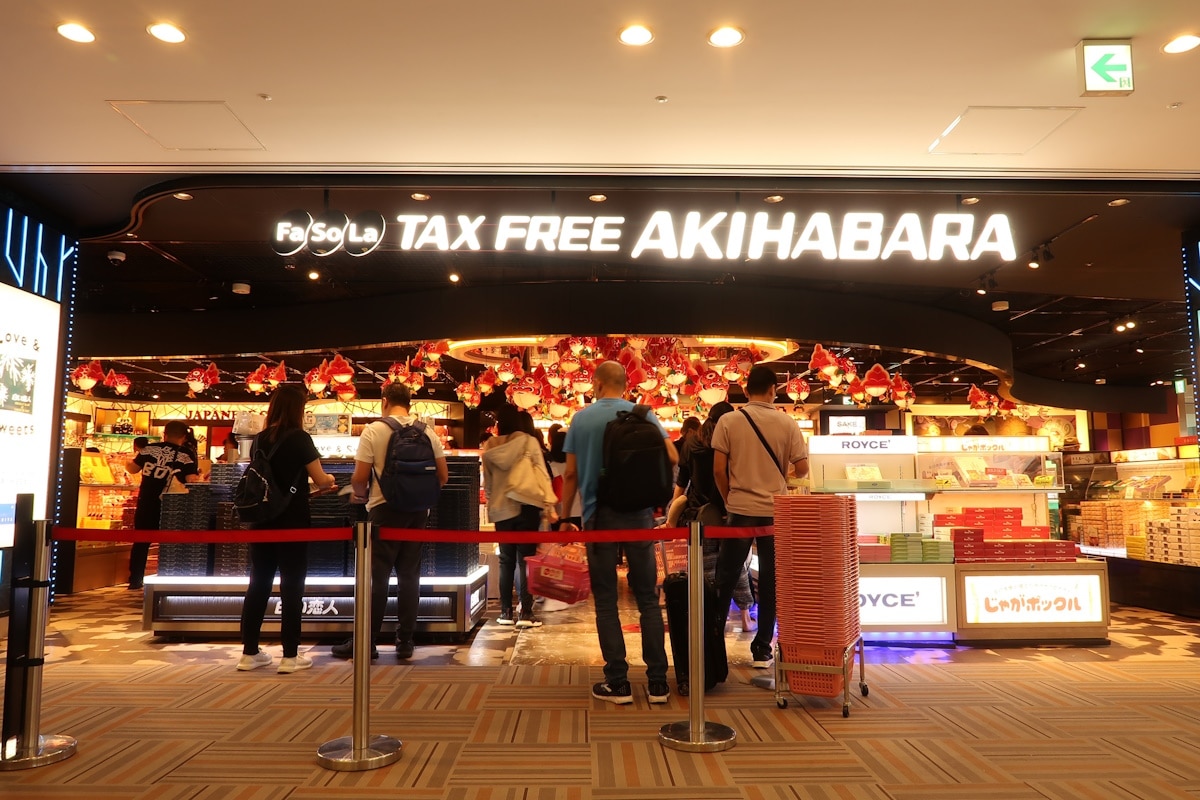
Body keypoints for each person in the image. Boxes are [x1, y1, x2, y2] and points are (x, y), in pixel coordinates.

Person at [560, 360, 678, 704]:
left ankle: (618, 682)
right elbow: (672, 456)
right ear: (626, 384)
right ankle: (658, 683)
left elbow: (570, 474)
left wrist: (565, 517)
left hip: (598, 517)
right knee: (648, 599)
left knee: (606, 600)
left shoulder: (582, 418)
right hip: (639, 514)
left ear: (596, 383)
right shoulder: (644, 414)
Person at [333, 382, 448, 660]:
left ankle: (367, 642)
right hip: (418, 514)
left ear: (384, 401)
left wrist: (360, 495)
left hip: (383, 511)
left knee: (377, 577)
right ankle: (405, 640)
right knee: (409, 576)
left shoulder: (374, 430)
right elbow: (442, 476)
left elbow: (360, 478)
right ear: (409, 403)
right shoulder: (427, 431)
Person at [712, 364, 808, 669]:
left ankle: (712, 645)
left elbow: (718, 470)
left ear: (745, 389)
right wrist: (780, 475)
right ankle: (762, 648)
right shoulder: (787, 423)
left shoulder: (728, 421)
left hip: (740, 509)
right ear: (773, 390)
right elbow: (803, 469)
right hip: (774, 512)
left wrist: (729, 499)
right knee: (770, 580)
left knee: (725, 578)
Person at [238, 385, 337, 674]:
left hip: (261, 519)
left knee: (258, 583)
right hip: (292, 521)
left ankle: (249, 653)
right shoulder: (300, 438)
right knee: (292, 586)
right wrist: (329, 480)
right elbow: (320, 479)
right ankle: (290, 656)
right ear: (298, 409)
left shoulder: (259, 439)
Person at [668, 401, 757, 632]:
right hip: (729, 510)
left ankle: (711, 616)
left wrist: (673, 513)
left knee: (705, 569)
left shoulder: (691, 443)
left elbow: (682, 482)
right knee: (737, 566)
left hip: (698, 514)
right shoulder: (730, 441)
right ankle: (745, 618)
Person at [482, 405, 557, 628]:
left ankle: (505, 612)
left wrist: (492, 503)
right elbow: (542, 475)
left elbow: (488, 483)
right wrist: (549, 504)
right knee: (526, 560)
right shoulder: (528, 442)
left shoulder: (490, 446)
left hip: (501, 509)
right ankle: (526, 613)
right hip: (527, 506)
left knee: (505, 561)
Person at [126, 420, 201, 590]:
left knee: (141, 542)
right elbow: (191, 480)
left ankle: (135, 579)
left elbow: (133, 469)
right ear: (184, 437)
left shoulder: (148, 449)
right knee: (171, 542)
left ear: (164, 434)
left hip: (146, 502)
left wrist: (126, 463)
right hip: (172, 506)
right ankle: (170, 576)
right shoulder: (186, 455)